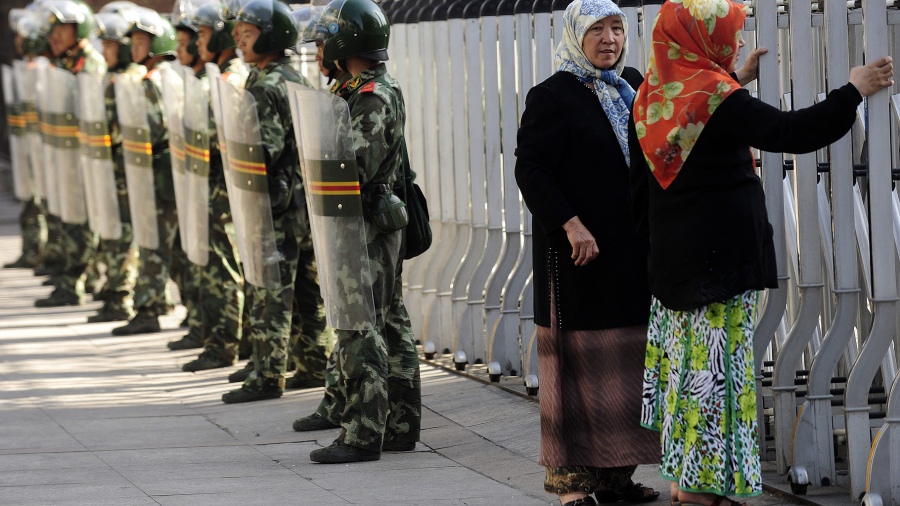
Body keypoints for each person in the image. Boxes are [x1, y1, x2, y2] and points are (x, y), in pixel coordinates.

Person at [628, 1, 894, 505]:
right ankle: (699, 493)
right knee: (716, 384)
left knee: (688, 378)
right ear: (702, 38)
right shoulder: (717, 98)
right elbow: (791, 132)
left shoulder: (654, 94)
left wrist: (735, 79)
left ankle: (687, 481)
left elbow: (646, 187)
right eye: (731, 34)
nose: (741, 43)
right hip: (721, 265)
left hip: (672, 266)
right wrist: (853, 89)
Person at [513, 1, 660, 505]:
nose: (609, 40)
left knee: (626, 365)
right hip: (578, 260)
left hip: (630, 256)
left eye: (617, 29)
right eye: (596, 29)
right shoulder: (552, 96)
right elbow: (531, 170)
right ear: (576, 36)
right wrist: (571, 224)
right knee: (577, 369)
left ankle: (616, 476)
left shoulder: (635, 85)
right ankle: (572, 487)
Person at [294, 0, 421, 465]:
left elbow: (356, 169)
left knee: (358, 325)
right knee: (389, 322)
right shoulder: (369, 88)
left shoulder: (370, 96)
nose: (317, 52)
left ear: (346, 44)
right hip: (369, 222)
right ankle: (402, 426)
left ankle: (364, 432)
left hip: (363, 225)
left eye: (323, 43)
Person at [220, 0, 312, 403]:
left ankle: (267, 373)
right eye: (237, 32)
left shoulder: (263, 84)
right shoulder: (295, 76)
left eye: (249, 32)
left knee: (270, 287)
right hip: (305, 202)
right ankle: (313, 362)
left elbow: (265, 148)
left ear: (272, 35)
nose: (239, 38)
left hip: (275, 204)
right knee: (308, 289)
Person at [180, 0, 249, 372]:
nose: (195, 43)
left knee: (224, 269)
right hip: (211, 185)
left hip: (224, 187)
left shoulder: (231, 77)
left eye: (203, 35)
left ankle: (224, 343)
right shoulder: (216, 75)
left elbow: (217, 131)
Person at [112, 7, 181, 336]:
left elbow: (152, 128)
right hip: (166, 173)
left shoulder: (152, 81)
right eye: (134, 41)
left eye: (141, 41)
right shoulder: (169, 75)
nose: (134, 47)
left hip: (158, 173)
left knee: (153, 243)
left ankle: (150, 308)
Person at [34, 0, 107, 308]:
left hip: (84, 156)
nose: (55, 36)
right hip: (69, 154)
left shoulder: (89, 63)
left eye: (62, 29)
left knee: (80, 221)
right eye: (54, 30)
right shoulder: (67, 62)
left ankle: (74, 281)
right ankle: (79, 275)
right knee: (72, 219)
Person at [85, 1, 144, 323]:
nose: (105, 51)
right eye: (104, 44)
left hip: (126, 170)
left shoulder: (131, 78)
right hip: (110, 168)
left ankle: (122, 296)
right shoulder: (110, 77)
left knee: (126, 237)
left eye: (110, 45)